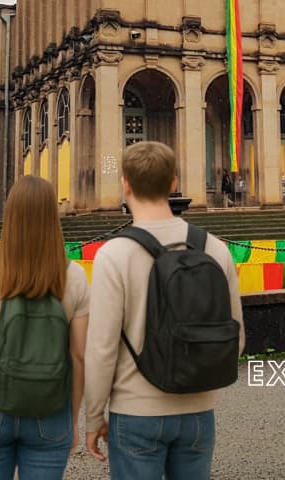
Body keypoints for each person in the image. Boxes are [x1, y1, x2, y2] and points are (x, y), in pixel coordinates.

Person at [85, 141, 244, 478]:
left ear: (125, 184)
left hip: (136, 411)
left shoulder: (114, 254)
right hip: (199, 411)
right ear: (174, 183)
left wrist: (94, 416)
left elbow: (101, 349)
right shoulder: (215, 248)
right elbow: (237, 338)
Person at [0, 175, 88, 477]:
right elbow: (78, 357)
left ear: (10, 216)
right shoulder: (75, 276)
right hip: (52, 405)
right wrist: (73, 419)